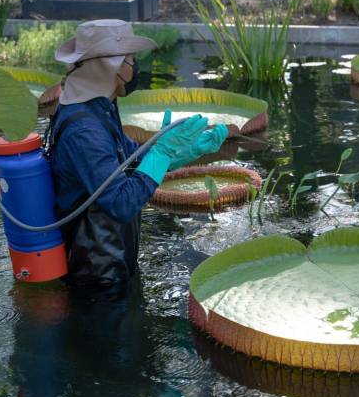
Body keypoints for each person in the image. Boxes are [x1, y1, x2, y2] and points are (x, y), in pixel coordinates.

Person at [46, 20, 227, 287]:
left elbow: (132, 159)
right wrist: (163, 150)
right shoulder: (86, 131)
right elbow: (121, 203)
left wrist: (185, 151)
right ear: (112, 68)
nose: (135, 68)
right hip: (97, 274)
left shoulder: (99, 108)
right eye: (130, 60)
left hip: (111, 259)